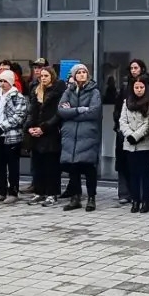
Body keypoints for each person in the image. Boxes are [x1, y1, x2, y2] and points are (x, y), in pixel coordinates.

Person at [58, 62, 104, 211]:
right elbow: (61, 111)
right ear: (74, 76)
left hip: (88, 135)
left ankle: (91, 198)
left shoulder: (94, 91)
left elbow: (94, 112)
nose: (82, 74)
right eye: (78, 72)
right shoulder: (69, 91)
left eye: (84, 72)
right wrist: (79, 110)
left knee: (89, 167)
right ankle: (75, 197)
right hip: (71, 136)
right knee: (74, 168)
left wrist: (72, 114)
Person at [0, 68, 29, 202]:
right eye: (0, 81)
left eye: (5, 81)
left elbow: (19, 116)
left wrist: (2, 127)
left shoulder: (18, 97)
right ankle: (1, 191)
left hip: (12, 136)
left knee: (12, 165)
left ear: (11, 82)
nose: (2, 83)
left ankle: (13, 192)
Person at [113, 58, 149, 206]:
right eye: (131, 68)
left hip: (143, 135)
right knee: (124, 162)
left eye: (136, 67)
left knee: (142, 167)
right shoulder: (125, 86)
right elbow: (119, 109)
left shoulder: (147, 85)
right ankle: (126, 194)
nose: (133, 70)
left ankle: (141, 196)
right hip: (125, 132)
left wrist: (137, 134)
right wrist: (122, 128)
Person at [25, 66, 63, 204]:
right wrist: (29, 127)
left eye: (46, 76)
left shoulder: (58, 92)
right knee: (37, 164)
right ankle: (38, 191)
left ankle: (52, 194)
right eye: (41, 76)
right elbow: (31, 112)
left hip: (51, 133)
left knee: (51, 165)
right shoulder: (36, 91)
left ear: (52, 76)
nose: (43, 78)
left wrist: (44, 128)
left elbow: (58, 115)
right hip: (36, 133)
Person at [118, 77, 149, 213]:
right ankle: (135, 200)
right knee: (133, 173)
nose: (139, 90)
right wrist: (129, 134)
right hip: (129, 143)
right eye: (136, 87)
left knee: (144, 172)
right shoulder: (126, 102)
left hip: (145, 143)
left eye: (141, 87)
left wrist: (136, 136)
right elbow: (122, 121)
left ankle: (145, 200)